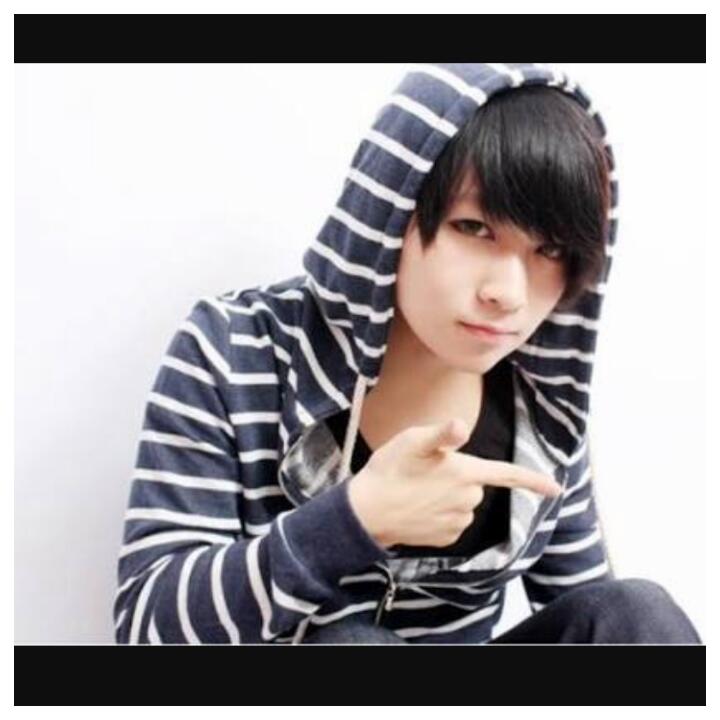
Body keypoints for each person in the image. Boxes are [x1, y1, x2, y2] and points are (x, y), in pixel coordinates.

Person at [113, 63, 702, 645]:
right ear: (389, 215)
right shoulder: (236, 347)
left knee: (636, 613)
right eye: (474, 228)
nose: (508, 293)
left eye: (549, 250)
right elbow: (145, 628)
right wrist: (353, 520)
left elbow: (595, 617)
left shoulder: (540, 407)